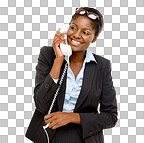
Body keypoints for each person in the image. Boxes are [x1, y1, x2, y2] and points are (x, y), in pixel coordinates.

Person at [25, 7, 118, 143]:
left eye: (85, 32)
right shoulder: (48, 55)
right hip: (49, 136)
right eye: (73, 28)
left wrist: (72, 117)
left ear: (94, 39)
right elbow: (41, 105)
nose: (76, 35)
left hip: (85, 137)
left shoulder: (102, 66)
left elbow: (110, 116)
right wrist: (59, 60)